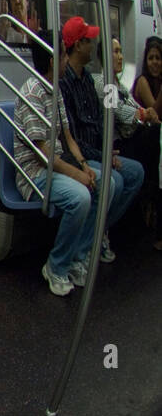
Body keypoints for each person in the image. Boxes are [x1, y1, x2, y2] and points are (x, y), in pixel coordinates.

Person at [13, 32, 100, 296]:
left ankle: (76, 255)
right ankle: (56, 265)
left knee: (100, 185)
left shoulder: (56, 89)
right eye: (63, 54)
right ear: (53, 60)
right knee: (81, 198)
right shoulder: (31, 93)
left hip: (56, 164)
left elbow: (68, 137)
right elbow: (43, 154)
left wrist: (84, 166)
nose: (67, 59)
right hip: (34, 173)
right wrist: (77, 175)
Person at [57, 16, 143, 263]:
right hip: (79, 156)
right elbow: (71, 137)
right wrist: (103, 156)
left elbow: (99, 122)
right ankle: (86, 247)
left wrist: (108, 151)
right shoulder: (75, 83)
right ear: (77, 45)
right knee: (112, 181)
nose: (94, 46)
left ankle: (99, 229)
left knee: (136, 172)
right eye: (89, 41)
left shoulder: (89, 81)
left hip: (98, 151)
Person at [129, 35, 162, 239]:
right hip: (144, 139)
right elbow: (154, 113)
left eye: (159, 58)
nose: (155, 63)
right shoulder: (142, 81)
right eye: (151, 58)